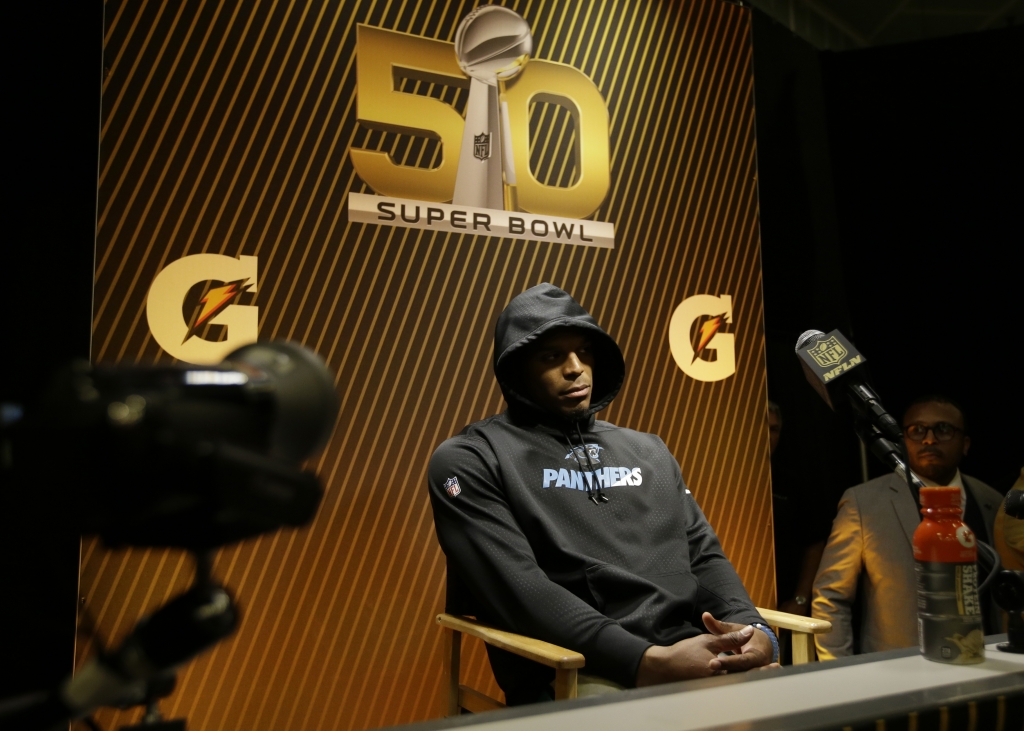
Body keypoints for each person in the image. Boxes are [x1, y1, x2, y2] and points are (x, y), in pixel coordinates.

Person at [428, 283, 777, 704]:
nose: (576, 369)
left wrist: (751, 629)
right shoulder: (470, 459)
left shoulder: (649, 450)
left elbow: (702, 556)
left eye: (585, 352)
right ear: (517, 368)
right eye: (552, 356)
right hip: (577, 667)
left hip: (689, 650)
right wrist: (646, 661)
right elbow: (521, 592)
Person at [811, 395, 1004, 659]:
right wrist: (839, 672)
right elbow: (831, 596)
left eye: (943, 429)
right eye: (917, 430)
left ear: (965, 443)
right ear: (901, 439)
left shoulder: (991, 501)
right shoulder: (864, 502)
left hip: (985, 662)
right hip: (898, 666)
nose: (929, 439)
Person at [768, 401, 826, 619]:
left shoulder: (791, 483)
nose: (768, 435)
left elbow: (814, 543)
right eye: (763, 426)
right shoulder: (719, 477)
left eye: (774, 429)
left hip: (780, 605)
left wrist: (800, 599)